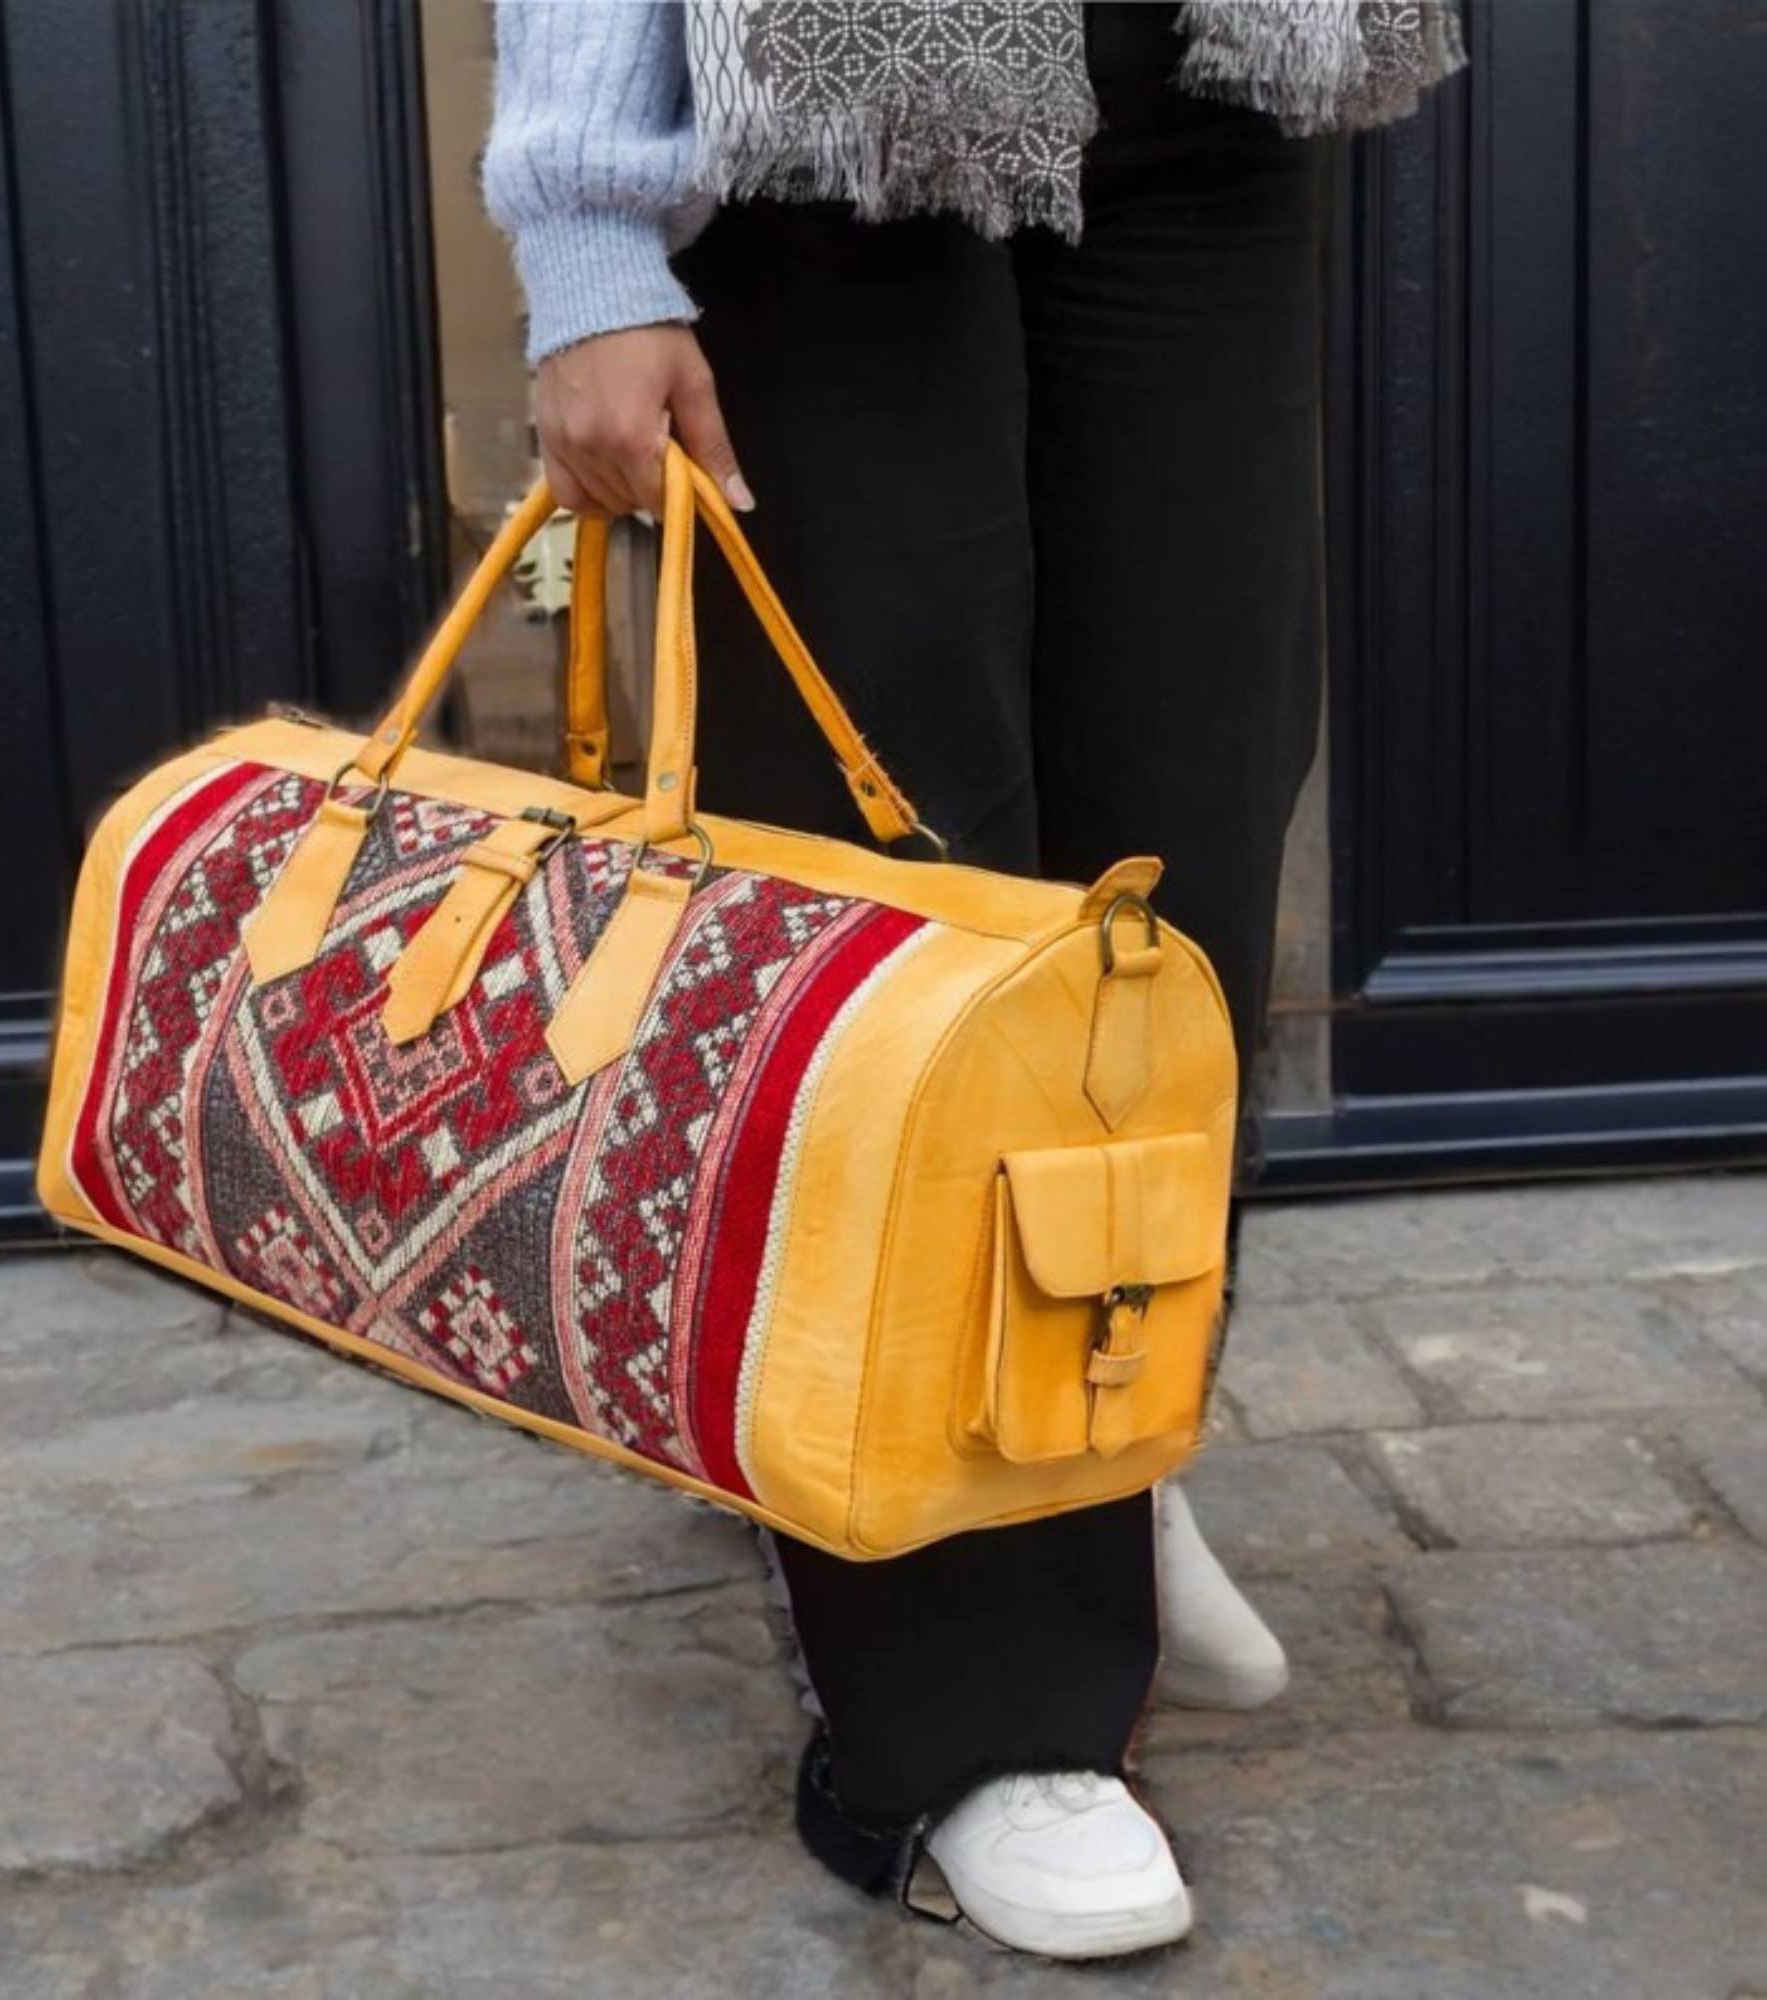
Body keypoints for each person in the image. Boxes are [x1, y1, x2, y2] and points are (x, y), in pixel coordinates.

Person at [483, 0, 1460, 1961]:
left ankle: (1088, 1422)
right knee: (900, 886)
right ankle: (972, 1707)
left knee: (1170, 843)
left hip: (1199, 90)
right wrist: (587, 235)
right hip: (834, 99)